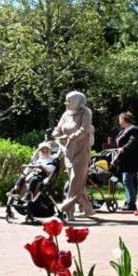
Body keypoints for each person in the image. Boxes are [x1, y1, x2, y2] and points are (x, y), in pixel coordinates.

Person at [53, 91, 96, 219]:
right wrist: (56, 135)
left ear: (77, 101)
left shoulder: (86, 112)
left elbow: (84, 130)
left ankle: (65, 208)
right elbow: (58, 129)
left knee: (75, 181)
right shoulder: (66, 114)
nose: (66, 103)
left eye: (69, 101)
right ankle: (88, 209)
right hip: (68, 152)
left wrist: (70, 137)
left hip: (81, 152)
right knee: (77, 183)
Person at [111, 111, 138, 211]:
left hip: (131, 160)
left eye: (120, 119)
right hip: (124, 160)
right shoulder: (123, 130)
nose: (119, 121)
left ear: (124, 119)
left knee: (127, 180)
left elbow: (133, 141)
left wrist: (123, 148)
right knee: (129, 181)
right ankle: (130, 201)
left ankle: (131, 204)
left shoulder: (134, 129)